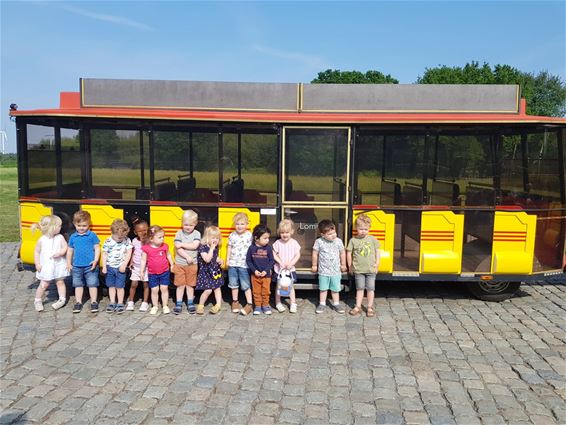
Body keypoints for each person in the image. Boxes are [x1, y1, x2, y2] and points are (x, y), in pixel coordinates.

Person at [346, 214, 380, 317]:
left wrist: (377, 263)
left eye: (365, 229)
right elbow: (349, 253)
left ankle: (369, 307)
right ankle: (358, 306)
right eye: (361, 229)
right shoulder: (353, 240)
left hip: (371, 270)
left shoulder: (373, 239)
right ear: (356, 228)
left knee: (370, 289)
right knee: (359, 288)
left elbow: (377, 251)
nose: (363, 231)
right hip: (358, 270)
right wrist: (350, 266)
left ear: (369, 228)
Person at [67, 210, 100, 313]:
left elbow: (97, 248)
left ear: (89, 224)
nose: (81, 228)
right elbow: (70, 250)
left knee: (92, 284)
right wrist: (68, 263)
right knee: (78, 284)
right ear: (74, 224)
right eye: (79, 225)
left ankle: (94, 302)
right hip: (77, 265)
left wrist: (95, 260)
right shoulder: (73, 237)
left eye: (84, 225)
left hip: (90, 266)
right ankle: (78, 302)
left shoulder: (92, 235)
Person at [32, 215, 68, 311]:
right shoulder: (42, 240)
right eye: (59, 226)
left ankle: (62, 299)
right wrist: (37, 264)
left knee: (60, 282)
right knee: (44, 284)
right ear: (52, 227)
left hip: (58, 264)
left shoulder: (60, 237)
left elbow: (65, 246)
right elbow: (37, 252)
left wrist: (61, 253)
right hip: (46, 265)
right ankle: (38, 300)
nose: (61, 227)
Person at [311, 219, 346, 314]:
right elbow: (315, 253)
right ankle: (322, 303)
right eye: (330, 234)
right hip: (323, 271)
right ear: (322, 234)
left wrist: (343, 264)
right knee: (323, 288)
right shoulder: (319, 242)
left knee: (335, 289)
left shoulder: (338, 241)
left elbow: (342, 253)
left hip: (335, 271)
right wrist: (314, 265)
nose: (333, 235)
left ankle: (336, 303)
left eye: (334, 232)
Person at [101, 219, 133, 314]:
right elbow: (105, 253)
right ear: (112, 232)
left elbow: (129, 252)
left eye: (122, 237)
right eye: (118, 237)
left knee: (120, 286)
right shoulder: (108, 241)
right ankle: (112, 302)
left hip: (120, 268)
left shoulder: (127, 240)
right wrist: (104, 266)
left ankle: (120, 303)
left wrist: (124, 264)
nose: (120, 238)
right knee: (111, 286)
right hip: (110, 267)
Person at [141, 225, 174, 315]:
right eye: (160, 237)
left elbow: (169, 255)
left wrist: (172, 264)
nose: (162, 239)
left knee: (164, 288)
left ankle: (165, 305)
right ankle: (155, 306)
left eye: (163, 237)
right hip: (152, 273)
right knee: (154, 290)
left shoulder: (164, 246)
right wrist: (142, 271)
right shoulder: (146, 248)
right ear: (151, 238)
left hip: (164, 271)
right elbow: (143, 260)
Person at [173, 210, 201, 315]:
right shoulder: (178, 233)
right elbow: (177, 248)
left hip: (192, 265)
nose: (188, 227)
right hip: (180, 264)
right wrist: (187, 256)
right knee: (180, 285)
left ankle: (190, 302)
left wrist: (182, 244)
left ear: (195, 224)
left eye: (190, 225)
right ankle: (178, 303)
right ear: (182, 223)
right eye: (185, 225)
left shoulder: (197, 233)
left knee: (190, 285)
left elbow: (195, 246)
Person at [226, 212, 253, 316]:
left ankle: (249, 303)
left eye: (242, 224)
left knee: (246, 285)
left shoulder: (249, 235)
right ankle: (235, 302)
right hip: (233, 264)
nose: (239, 226)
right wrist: (227, 259)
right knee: (233, 284)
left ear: (247, 224)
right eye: (237, 224)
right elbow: (229, 248)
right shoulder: (232, 235)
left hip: (244, 265)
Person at [272, 219, 300, 313]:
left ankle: (293, 303)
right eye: (282, 232)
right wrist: (280, 262)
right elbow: (274, 254)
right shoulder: (277, 243)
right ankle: (278, 302)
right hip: (279, 270)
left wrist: (291, 263)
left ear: (291, 232)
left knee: (290, 286)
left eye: (287, 232)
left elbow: (297, 254)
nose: (284, 234)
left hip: (290, 269)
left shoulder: (294, 243)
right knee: (279, 287)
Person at [246, 224, 275, 315]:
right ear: (256, 238)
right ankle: (258, 306)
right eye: (265, 238)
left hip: (266, 275)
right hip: (255, 275)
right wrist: (254, 271)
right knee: (256, 291)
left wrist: (266, 270)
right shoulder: (251, 248)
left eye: (268, 238)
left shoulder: (269, 248)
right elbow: (248, 261)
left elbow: (271, 261)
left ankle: (265, 305)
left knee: (266, 291)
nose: (268, 240)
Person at [195, 226, 224, 315]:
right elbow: (207, 259)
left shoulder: (215, 248)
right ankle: (200, 305)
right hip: (206, 272)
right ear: (207, 238)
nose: (215, 240)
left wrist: (220, 260)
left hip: (214, 271)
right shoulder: (203, 248)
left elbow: (214, 257)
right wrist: (211, 249)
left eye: (217, 238)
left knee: (217, 288)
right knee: (208, 290)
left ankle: (218, 305)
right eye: (212, 238)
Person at [126, 217, 150, 312]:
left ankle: (145, 302)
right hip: (136, 266)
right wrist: (131, 261)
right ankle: (131, 301)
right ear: (135, 232)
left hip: (147, 267)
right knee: (133, 284)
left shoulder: (149, 241)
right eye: (140, 231)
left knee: (145, 284)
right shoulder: (134, 241)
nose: (143, 233)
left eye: (145, 230)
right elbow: (133, 252)